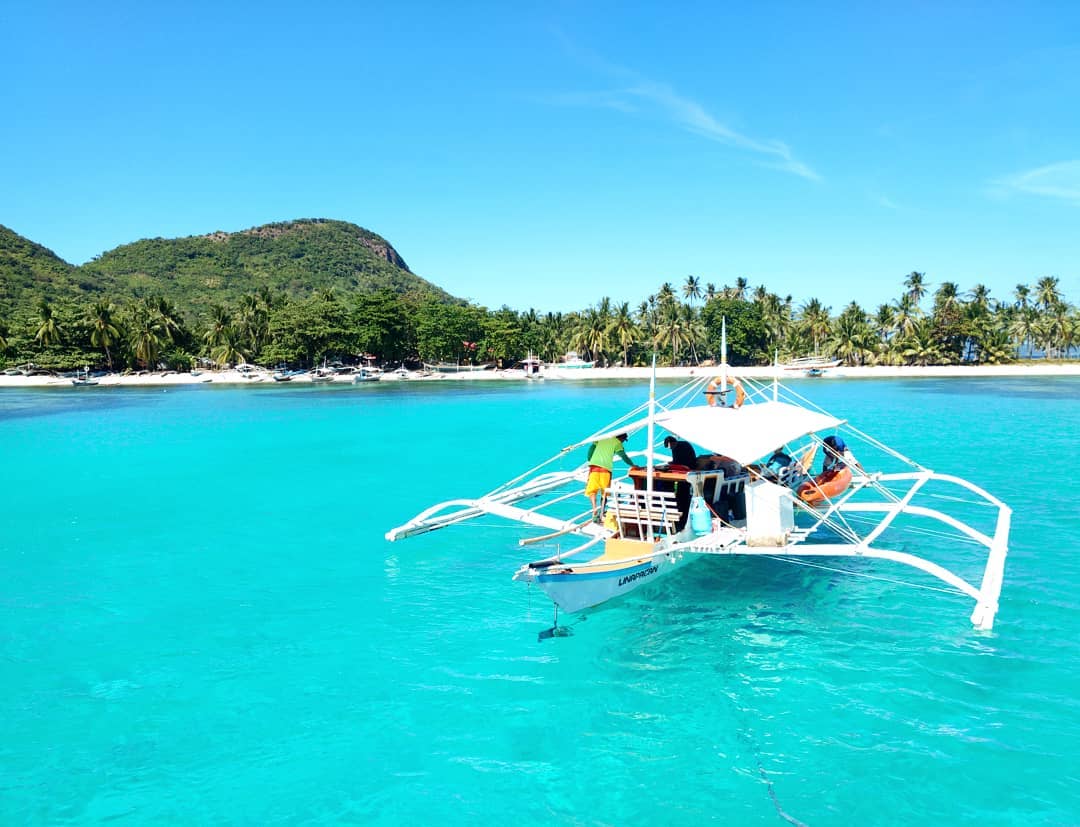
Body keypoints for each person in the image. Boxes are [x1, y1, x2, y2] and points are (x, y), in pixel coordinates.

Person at [585, 432, 640, 521]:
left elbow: (591, 449)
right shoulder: (617, 443)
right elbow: (623, 456)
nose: (622, 442)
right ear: (621, 438)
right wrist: (633, 465)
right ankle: (602, 511)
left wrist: (590, 459)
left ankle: (595, 509)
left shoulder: (602, 438)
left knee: (592, 490)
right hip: (605, 469)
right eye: (623, 441)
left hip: (594, 467)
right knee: (605, 492)